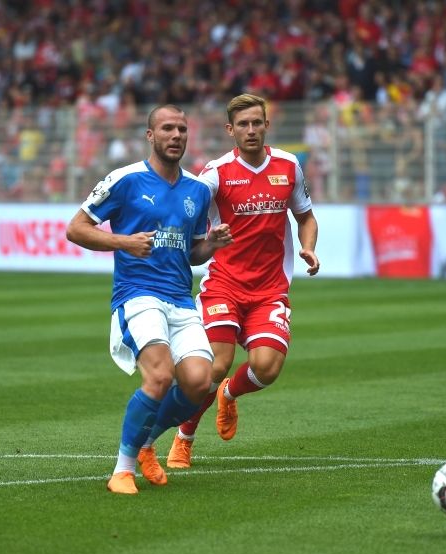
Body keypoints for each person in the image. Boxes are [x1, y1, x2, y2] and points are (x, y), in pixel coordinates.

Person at [66, 104, 233, 495]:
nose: (176, 136)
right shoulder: (125, 179)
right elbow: (76, 229)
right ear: (150, 136)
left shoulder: (196, 189)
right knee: (160, 376)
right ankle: (121, 471)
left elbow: (189, 254)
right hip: (138, 294)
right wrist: (122, 241)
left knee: (200, 382)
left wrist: (210, 244)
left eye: (181, 130)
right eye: (167, 129)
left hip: (180, 298)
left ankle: (145, 443)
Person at [165, 93, 319, 468]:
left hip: (270, 289)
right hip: (224, 284)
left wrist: (309, 247)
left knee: (266, 368)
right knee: (215, 365)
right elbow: (187, 218)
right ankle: (184, 436)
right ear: (230, 130)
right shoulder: (215, 175)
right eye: (243, 125)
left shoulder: (289, 167)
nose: (251, 130)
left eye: (257, 122)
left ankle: (229, 395)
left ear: (266, 125)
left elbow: (306, 217)